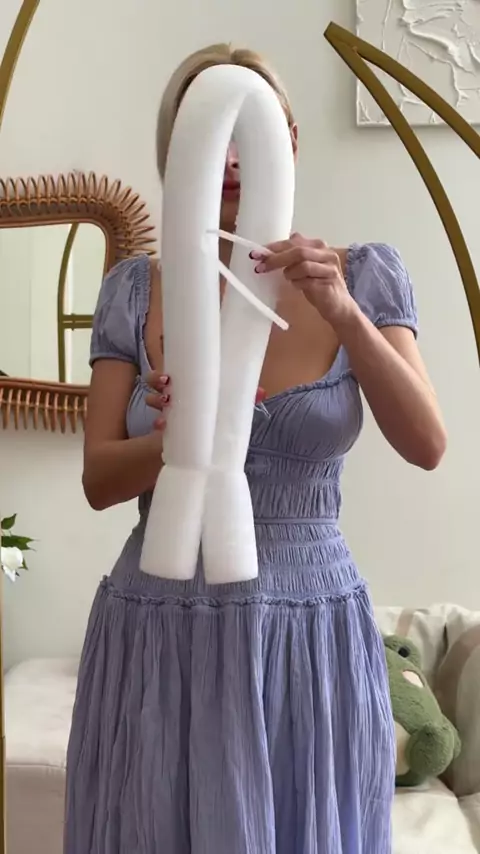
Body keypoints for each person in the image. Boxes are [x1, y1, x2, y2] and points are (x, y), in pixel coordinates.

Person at [64, 43, 447, 854]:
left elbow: (427, 443)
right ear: (178, 153)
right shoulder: (134, 289)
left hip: (310, 630)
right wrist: (179, 437)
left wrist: (342, 312)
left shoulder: (362, 276)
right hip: (159, 619)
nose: (232, 159)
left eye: (253, 134)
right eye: (210, 136)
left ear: (289, 141)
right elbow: (99, 479)